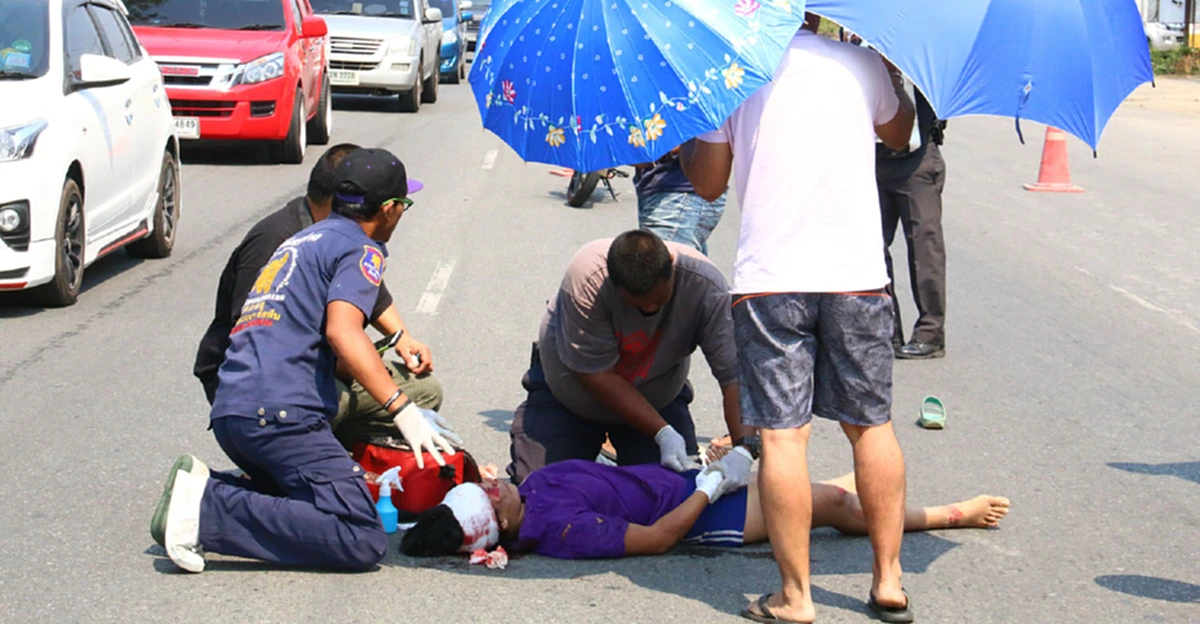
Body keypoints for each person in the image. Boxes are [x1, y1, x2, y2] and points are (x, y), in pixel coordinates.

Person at [682, 12, 918, 623]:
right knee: (872, 426)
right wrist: (892, 65)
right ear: (820, 7)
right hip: (857, 276)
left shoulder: (728, 70)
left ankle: (796, 597)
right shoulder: (863, 63)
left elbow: (707, 184)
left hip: (772, 280)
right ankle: (889, 581)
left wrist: (694, 119)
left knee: (785, 437)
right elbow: (898, 135)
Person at [152, 148, 462, 573]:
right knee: (361, 534)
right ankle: (207, 510)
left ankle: (204, 488)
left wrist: (399, 336)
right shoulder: (363, 250)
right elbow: (342, 330)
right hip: (282, 417)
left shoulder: (300, 240)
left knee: (307, 505)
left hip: (235, 412)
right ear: (389, 210)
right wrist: (401, 408)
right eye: (402, 207)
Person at [194, 143, 443, 448]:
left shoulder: (335, 235)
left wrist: (402, 337)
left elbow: (369, 290)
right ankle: (296, 460)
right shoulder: (276, 241)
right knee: (413, 395)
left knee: (419, 386)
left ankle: (329, 457)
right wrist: (398, 406)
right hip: (259, 383)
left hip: (299, 367)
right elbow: (251, 331)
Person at [400, 443, 1010, 560]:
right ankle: (949, 516)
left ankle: (865, 496)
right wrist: (712, 487)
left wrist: (682, 459)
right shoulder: (560, 534)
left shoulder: (531, 490)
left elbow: (608, 477)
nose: (490, 483)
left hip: (688, 481)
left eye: (481, 483)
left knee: (819, 490)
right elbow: (660, 537)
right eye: (486, 495)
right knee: (830, 507)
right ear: (499, 525)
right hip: (703, 515)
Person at [507, 230, 753, 486]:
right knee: (539, 495)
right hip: (570, 399)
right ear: (612, 282)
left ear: (670, 264)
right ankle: (600, 465)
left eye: (658, 301)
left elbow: (734, 377)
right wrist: (663, 433)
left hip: (656, 398)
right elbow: (596, 375)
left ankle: (610, 466)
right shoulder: (589, 276)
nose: (649, 309)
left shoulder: (705, 287)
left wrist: (744, 451)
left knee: (676, 492)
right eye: (637, 304)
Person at [876, 72, 948, 360]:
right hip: (872, 156)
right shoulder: (858, 47)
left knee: (924, 245)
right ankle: (887, 330)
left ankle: (930, 333)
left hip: (916, 161)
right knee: (872, 247)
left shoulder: (921, 54)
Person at [633, 148, 727, 255]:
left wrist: (659, 153)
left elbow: (700, 134)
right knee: (684, 266)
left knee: (661, 263)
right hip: (658, 191)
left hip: (681, 194)